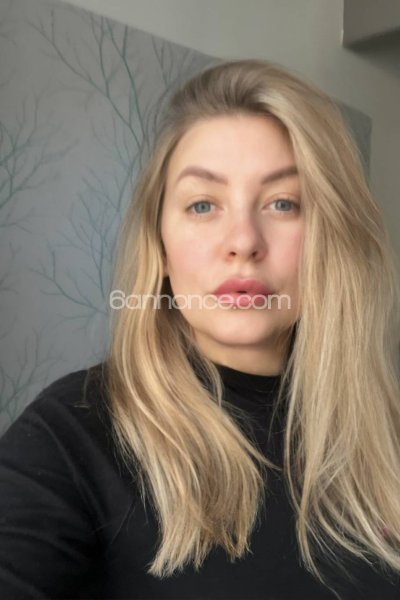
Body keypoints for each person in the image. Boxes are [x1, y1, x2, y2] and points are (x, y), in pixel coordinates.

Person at [0, 59, 400, 600]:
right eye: (203, 204)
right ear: (161, 248)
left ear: (331, 240)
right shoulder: (71, 435)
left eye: (283, 203)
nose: (243, 241)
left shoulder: (385, 434)